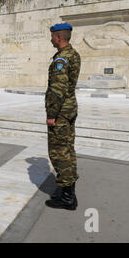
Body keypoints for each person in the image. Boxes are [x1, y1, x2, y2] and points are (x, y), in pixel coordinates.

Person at [44, 23, 81, 211]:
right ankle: (68, 191)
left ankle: (67, 198)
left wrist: (52, 115)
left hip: (60, 113)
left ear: (59, 37)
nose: (50, 40)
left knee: (59, 153)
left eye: (52, 37)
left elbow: (58, 89)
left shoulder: (62, 59)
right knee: (68, 149)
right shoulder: (73, 54)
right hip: (69, 110)